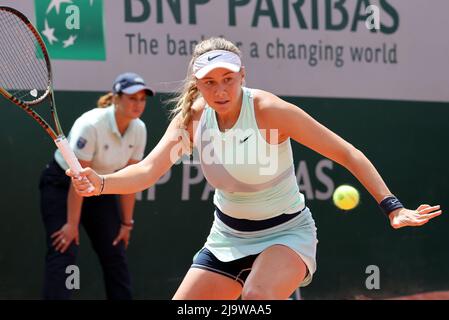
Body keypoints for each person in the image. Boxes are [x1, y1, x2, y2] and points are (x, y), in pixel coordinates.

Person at [67, 38, 442, 300]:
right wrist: (100, 183)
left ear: (242, 75)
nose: (220, 90)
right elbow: (148, 171)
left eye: (228, 79)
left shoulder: (268, 110)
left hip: (287, 234)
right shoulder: (194, 118)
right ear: (197, 85)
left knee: (256, 296)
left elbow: (347, 153)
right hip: (226, 238)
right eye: (210, 82)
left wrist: (392, 207)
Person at [39, 72, 154, 300]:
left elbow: (129, 179)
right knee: (65, 249)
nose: (138, 104)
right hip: (63, 185)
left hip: (101, 187)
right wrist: (71, 224)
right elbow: (78, 180)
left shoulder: (139, 129)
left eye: (142, 99)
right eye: (132, 98)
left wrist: (126, 223)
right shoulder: (90, 125)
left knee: (115, 251)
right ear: (116, 98)